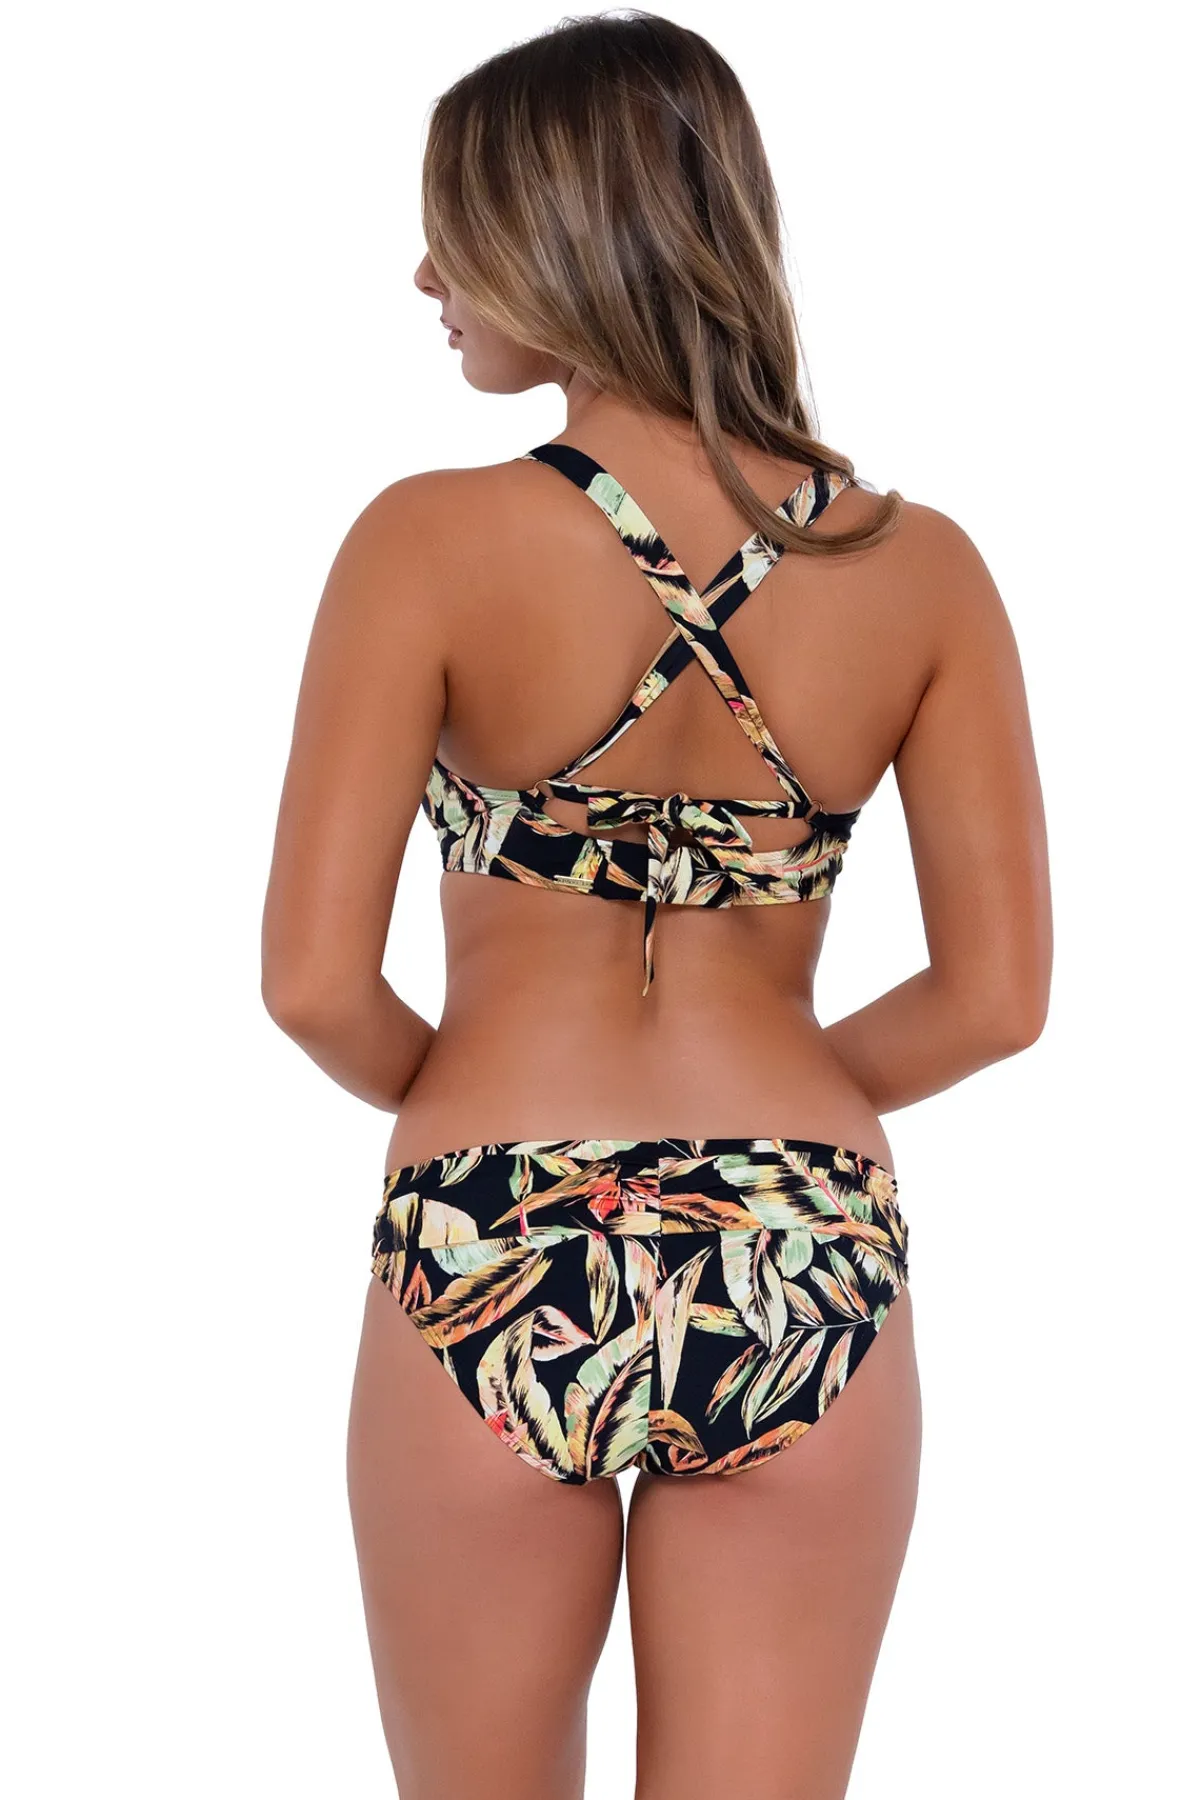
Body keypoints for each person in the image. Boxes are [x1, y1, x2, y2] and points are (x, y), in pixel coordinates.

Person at [261, 13, 1051, 1798]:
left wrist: (472, 1097)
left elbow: (312, 982)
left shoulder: (423, 541)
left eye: (457, 231)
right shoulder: (921, 568)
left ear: (562, 233)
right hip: (800, 1239)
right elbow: (999, 1000)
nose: (426, 278)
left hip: (494, 1228)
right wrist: (784, 1093)